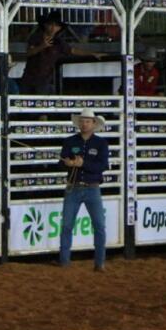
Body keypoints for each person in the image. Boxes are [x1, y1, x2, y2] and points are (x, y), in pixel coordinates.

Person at [58, 108, 108, 272]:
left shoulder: (101, 143)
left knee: (99, 226)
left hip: (92, 188)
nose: (84, 124)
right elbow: (60, 163)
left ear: (93, 124)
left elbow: (103, 166)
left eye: (87, 121)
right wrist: (68, 163)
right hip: (73, 188)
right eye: (82, 121)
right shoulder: (69, 141)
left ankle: (99, 263)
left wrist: (82, 164)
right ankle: (64, 262)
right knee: (67, 225)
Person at [19, 10, 103, 94]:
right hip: (28, 80)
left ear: (59, 28)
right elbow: (29, 53)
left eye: (56, 25)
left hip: (44, 82)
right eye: (51, 24)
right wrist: (42, 46)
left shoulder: (59, 42)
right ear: (45, 25)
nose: (53, 28)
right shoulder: (36, 37)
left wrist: (92, 53)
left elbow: (73, 50)